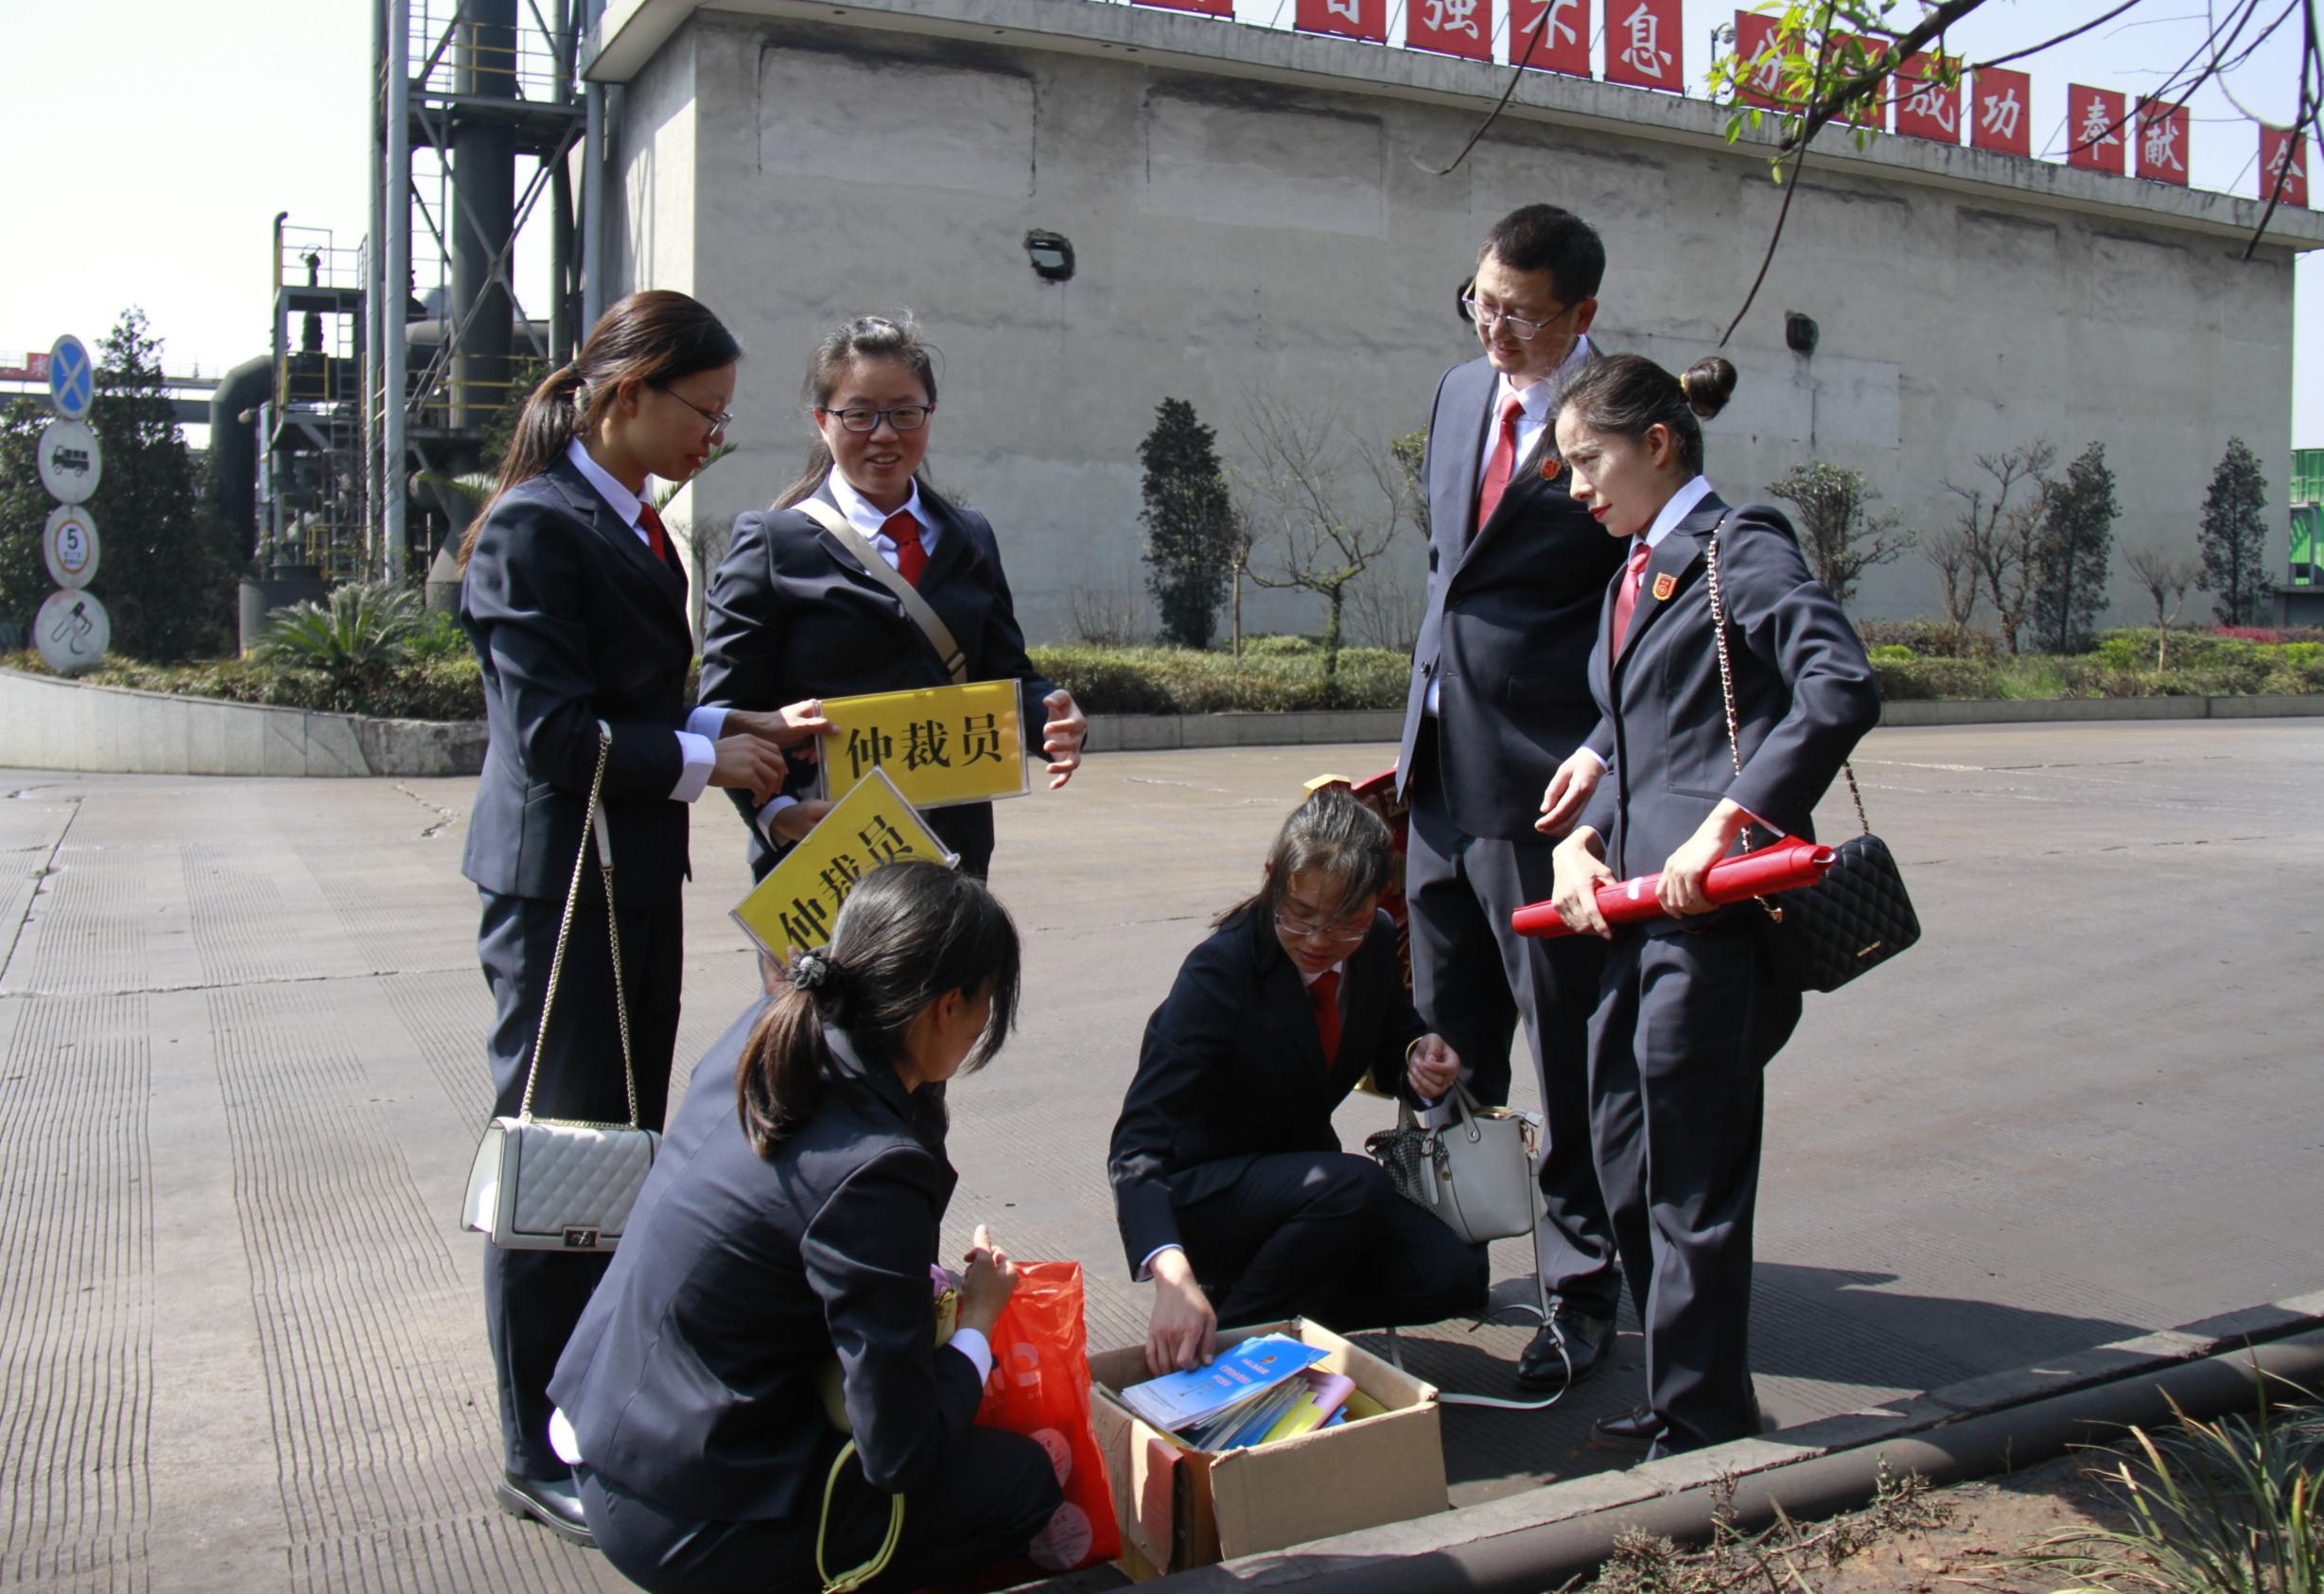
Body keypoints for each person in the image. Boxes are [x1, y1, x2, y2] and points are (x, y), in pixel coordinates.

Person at [458, 289, 829, 1543]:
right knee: (557, 1157)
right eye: (702, 414)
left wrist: (741, 730)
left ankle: (590, 1411)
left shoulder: (635, 528)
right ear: (627, 395)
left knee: (619, 1152)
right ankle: (532, 1441)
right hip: (559, 888)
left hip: (627, 881)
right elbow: (555, 737)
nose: (710, 440)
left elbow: (638, 702)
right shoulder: (531, 528)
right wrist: (701, 762)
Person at [1538, 353, 1880, 1458]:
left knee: (1693, 1173)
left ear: (1659, 444)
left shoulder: (1741, 546)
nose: (1577, 486)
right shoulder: (1632, 567)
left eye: (1589, 461)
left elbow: (1839, 683)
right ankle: (1680, 1385)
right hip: (1633, 910)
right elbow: (1647, 728)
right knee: (1624, 1153)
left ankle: (1702, 1422)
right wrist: (1586, 828)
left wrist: (1736, 815)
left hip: (1716, 915)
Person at [548, 861, 1063, 1592]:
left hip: (612, 1431)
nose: (984, 1028)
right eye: (984, 1006)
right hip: (690, 1517)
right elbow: (900, 1451)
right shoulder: (872, 1169)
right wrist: (976, 1324)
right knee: (1018, 1480)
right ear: (945, 1007)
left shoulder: (770, 1031)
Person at [1395, 203, 1628, 1393]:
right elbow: (1449, 577)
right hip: (1437, 773)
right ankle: (1444, 1262)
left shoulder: (1622, 420)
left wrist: (1603, 751)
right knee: (1444, 1040)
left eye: (1523, 315)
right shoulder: (1452, 395)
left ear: (1581, 315)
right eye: (1481, 301)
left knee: (1573, 1051)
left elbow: (1646, 605)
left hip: (1548, 795)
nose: (1495, 329)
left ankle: (1584, 1289)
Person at [1110, 788, 1488, 1377]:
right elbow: (1136, 1145)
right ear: (1273, 880)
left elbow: (1395, 1042)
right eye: (1301, 916)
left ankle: (1264, 1308)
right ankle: (1225, 1355)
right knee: (1354, 1185)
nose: (1318, 941)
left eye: (1346, 924)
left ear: (1375, 904)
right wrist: (1171, 1274)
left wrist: (1422, 1061)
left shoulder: (1375, 945)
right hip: (1208, 1194)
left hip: (1309, 1193)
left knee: (1454, 1276)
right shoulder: (1220, 972)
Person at [701, 312, 1087, 883]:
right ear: (822, 421)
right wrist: (775, 814)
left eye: (905, 413)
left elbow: (1003, 672)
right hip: (824, 852)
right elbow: (726, 714)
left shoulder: (969, 535)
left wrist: (1052, 718)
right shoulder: (772, 542)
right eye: (859, 414)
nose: (884, 434)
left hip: (949, 854)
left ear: (930, 415)